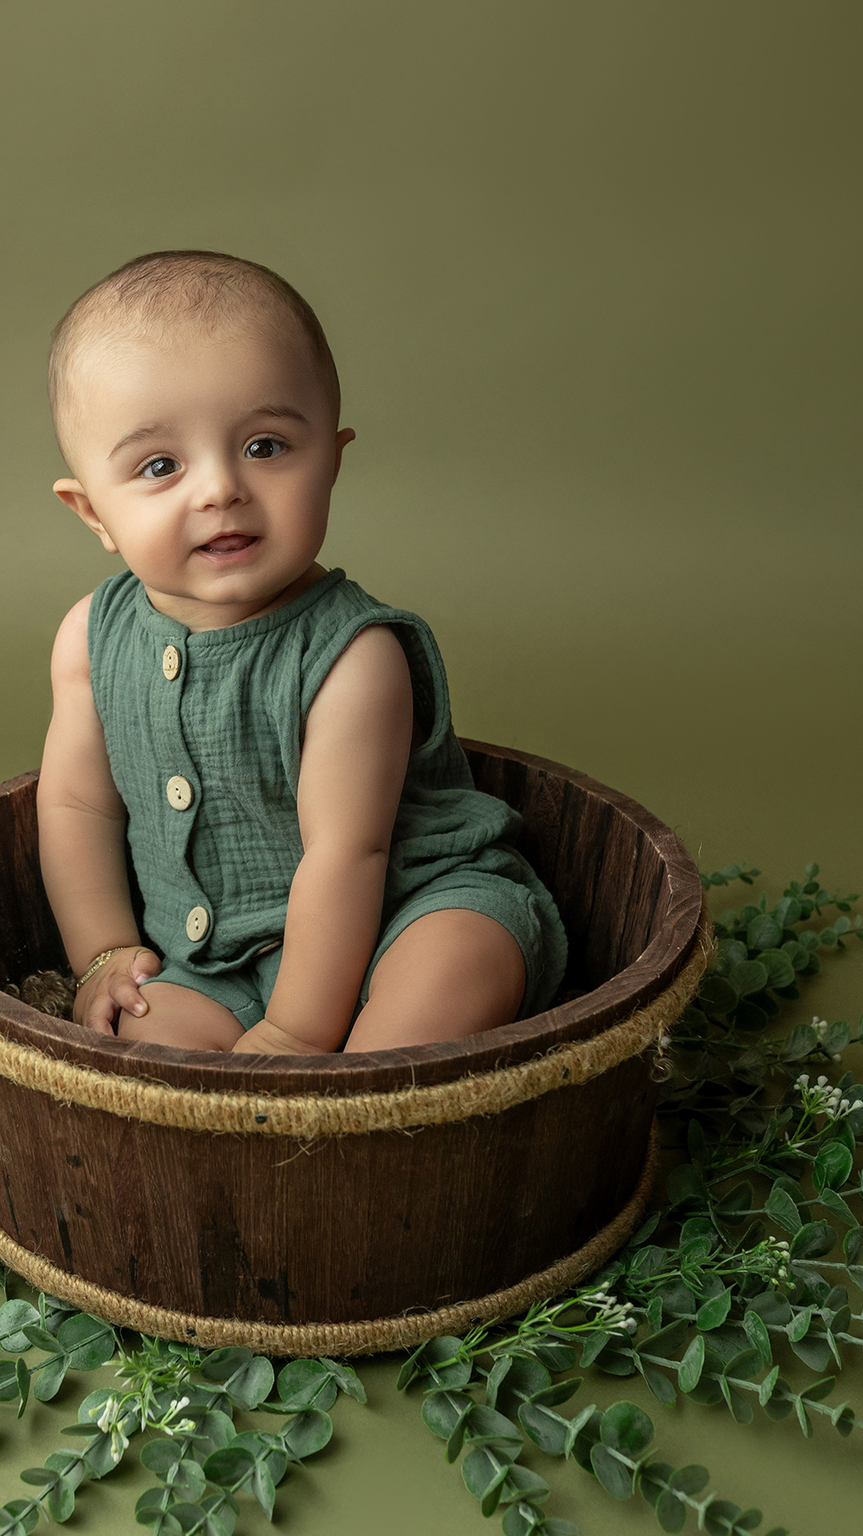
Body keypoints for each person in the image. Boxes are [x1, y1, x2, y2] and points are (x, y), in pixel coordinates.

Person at [37, 251, 566, 1055]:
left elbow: (348, 855)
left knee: (454, 963)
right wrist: (104, 954)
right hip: (212, 959)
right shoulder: (90, 637)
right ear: (93, 514)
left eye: (266, 448)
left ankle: (357, 1097)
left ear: (333, 461)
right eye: (159, 465)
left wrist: (296, 1033)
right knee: (143, 1051)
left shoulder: (354, 657)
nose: (219, 489)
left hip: (405, 907)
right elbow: (77, 806)